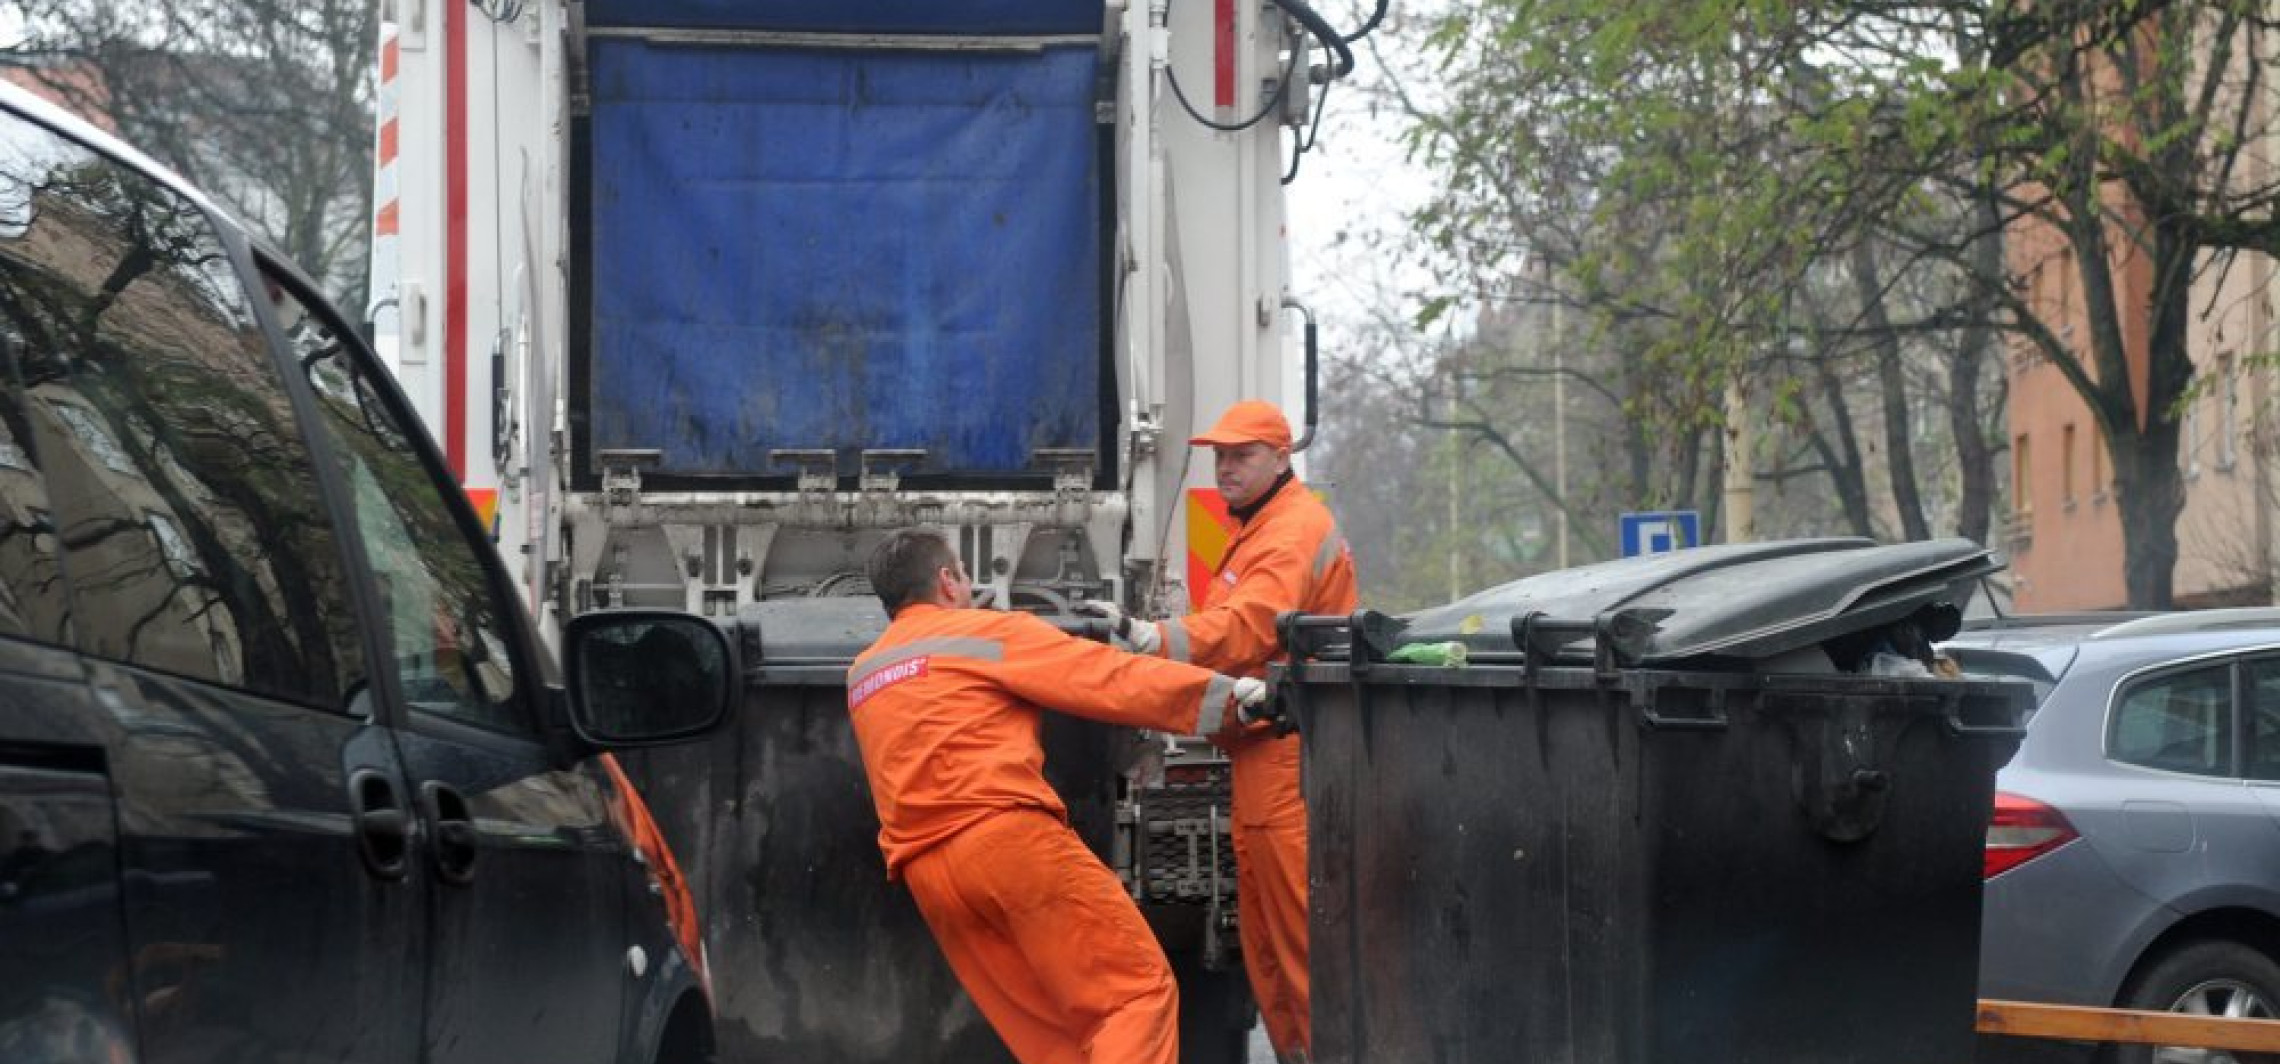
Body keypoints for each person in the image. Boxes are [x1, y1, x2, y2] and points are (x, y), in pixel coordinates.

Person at [847, 527, 1271, 1064]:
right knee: (1133, 995)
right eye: (964, 574)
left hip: (929, 874)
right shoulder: (982, 635)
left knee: (1058, 1042)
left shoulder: (865, 673)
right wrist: (1231, 702)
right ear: (947, 581)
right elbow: (1105, 677)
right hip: (1005, 843)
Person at [1088, 399, 1357, 1064]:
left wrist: (1155, 637)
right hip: (1265, 758)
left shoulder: (1290, 530)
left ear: (1280, 457)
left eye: (1242, 455)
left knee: (1297, 947)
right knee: (1269, 946)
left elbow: (1251, 625)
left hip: (1289, 756)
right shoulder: (1260, 524)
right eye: (1220, 455)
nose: (1226, 467)